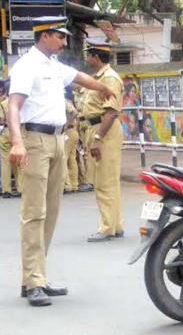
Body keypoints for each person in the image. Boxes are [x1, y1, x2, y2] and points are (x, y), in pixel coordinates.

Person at [7, 16, 114, 306]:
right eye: (60, 37)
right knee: (34, 212)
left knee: (51, 211)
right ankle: (33, 282)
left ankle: (36, 276)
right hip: (34, 140)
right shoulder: (26, 66)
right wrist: (17, 141)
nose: (64, 42)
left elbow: (80, 78)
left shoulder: (53, 66)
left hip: (56, 139)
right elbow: (14, 107)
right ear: (44, 37)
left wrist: (104, 88)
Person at [82, 39, 126, 243]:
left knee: (104, 182)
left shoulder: (109, 78)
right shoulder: (98, 77)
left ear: (96, 57)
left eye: (88, 54)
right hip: (97, 128)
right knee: (109, 181)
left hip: (103, 130)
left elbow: (111, 111)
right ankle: (115, 225)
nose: (86, 57)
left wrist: (98, 138)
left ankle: (107, 228)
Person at [1, 79, 23, 198]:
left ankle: (6, 189)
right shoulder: (20, 102)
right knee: (19, 161)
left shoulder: (3, 103)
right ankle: (21, 188)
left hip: (5, 131)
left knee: (6, 162)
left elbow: (1, 119)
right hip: (18, 132)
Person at [63, 94, 80, 193]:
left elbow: (74, 113)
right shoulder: (66, 101)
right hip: (72, 131)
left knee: (64, 158)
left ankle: (67, 185)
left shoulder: (64, 101)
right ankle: (74, 184)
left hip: (69, 131)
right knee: (72, 159)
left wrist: (67, 124)